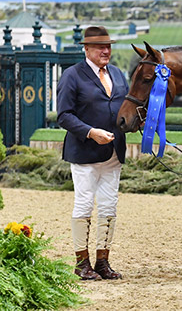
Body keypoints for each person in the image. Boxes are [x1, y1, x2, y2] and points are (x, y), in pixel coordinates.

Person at [57, 26, 129, 280]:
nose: (106, 51)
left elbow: (125, 108)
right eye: (100, 47)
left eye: (108, 46)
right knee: (85, 204)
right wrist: (90, 132)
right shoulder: (72, 75)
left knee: (110, 206)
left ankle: (102, 261)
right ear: (86, 49)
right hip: (84, 152)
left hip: (114, 152)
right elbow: (64, 115)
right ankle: (81, 263)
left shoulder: (119, 74)